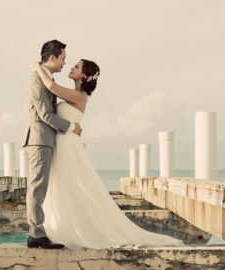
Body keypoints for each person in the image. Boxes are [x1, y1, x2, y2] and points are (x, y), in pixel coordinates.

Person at [33, 58, 184, 249]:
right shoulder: (74, 94)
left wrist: (39, 68)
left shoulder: (79, 95)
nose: (71, 67)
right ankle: (59, 227)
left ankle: (72, 229)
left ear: (85, 75)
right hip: (64, 142)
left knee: (73, 185)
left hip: (67, 145)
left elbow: (52, 87)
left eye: (77, 67)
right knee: (64, 185)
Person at [22, 40, 82, 249]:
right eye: (63, 58)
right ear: (52, 58)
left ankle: (38, 232)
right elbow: (46, 114)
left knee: (41, 186)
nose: (65, 62)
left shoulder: (44, 78)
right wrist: (70, 127)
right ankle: (36, 233)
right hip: (39, 139)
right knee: (37, 187)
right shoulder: (36, 80)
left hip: (46, 140)